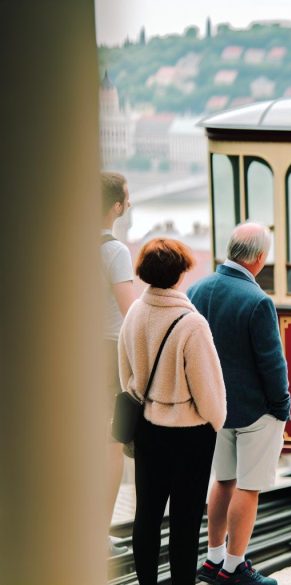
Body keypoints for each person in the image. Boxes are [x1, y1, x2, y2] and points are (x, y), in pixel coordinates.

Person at [118, 238, 227, 585]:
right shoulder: (192, 323)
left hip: (147, 429)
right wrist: (216, 420)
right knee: (185, 520)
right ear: (180, 273)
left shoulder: (135, 313)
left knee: (147, 516)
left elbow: (125, 373)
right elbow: (208, 389)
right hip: (190, 435)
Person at [189, 223, 291, 585]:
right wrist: (282, 406)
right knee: (248, 487)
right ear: (260, 258)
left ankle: (213, 558)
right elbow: (272, 363)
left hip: (214, 409)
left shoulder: (196, 290)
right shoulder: (258, 301)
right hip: (255, 411)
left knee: (222, 481)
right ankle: (234, 568)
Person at [101, 171, 136, 556]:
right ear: (116, 206)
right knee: (110, 444)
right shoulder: (115, 251)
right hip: (108, 355)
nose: (130, 203)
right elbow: (131, 312)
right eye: (127, 197)